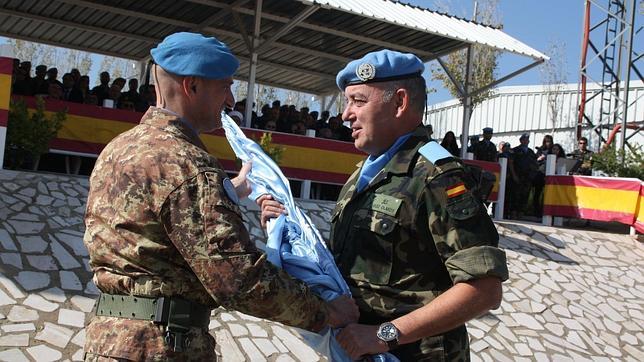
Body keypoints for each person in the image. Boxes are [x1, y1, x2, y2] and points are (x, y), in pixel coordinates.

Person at [82, 32, 358, 361]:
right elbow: (237, 279)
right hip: (161, 346)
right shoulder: (186, 163)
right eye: (225, 87)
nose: (231, 101)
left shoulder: (119, 149)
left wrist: (232, 192)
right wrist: (326, 310)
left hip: (110, 341)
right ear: (192, 86)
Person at [260, 49, 508, 361]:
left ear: (399, 102)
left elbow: (484, 290)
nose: (346, 114)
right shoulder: (364, 174)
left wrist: (383, 335)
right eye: (347, 102)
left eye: (358, 101)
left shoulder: (437, 176)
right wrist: (285, 230)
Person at [509, 133, 538, 219]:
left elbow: (535, 164)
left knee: (525, 195)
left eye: (527, 139)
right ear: (521, 140)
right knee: (515, 195)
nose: (526, 141)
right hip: (517, 175)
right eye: (524, 139)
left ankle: (521, 212)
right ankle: (513, 212)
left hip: (527, 177)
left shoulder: (530, 152)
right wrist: (514, 175)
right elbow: (511, 163)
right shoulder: (515, 150)